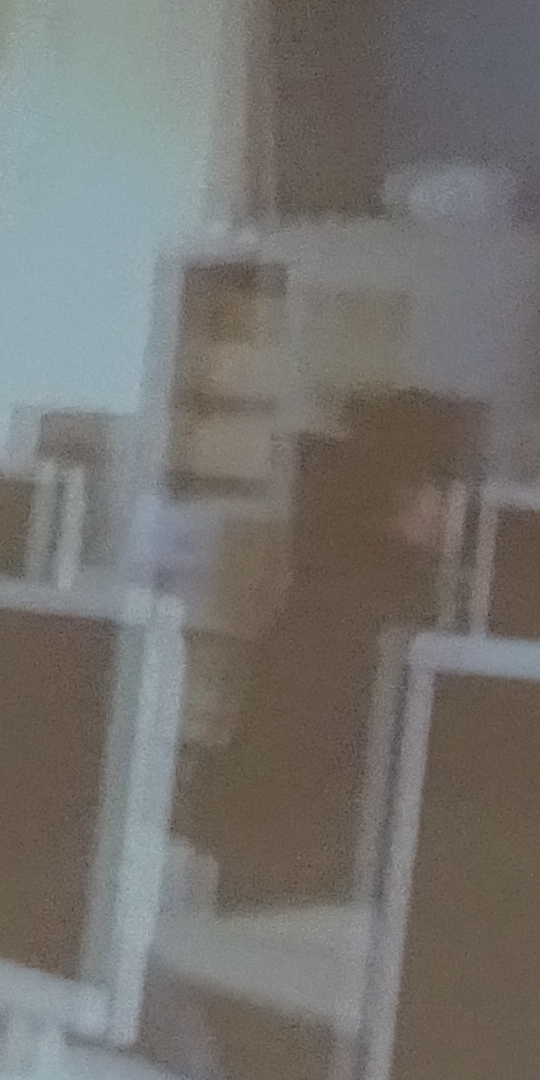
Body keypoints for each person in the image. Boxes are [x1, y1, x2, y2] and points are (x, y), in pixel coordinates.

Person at [186, 388, 481, 911]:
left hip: (261, 891)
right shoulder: (405, 621)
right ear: (422, 497)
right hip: (324, 898)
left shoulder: (324, 591)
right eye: (460, 490)